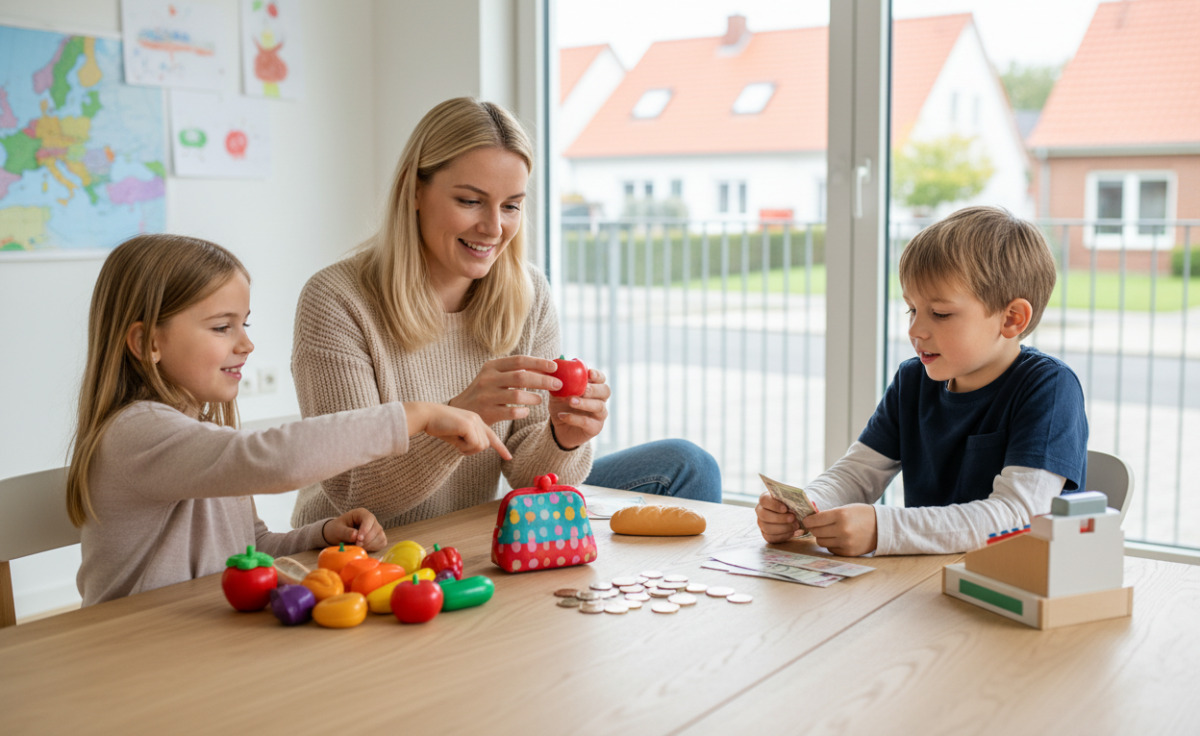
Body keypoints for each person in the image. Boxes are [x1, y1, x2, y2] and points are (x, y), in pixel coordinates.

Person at [290, 97, 720, 531]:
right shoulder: (336, 300)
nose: (494, 228)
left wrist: (562, 438)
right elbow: (355, 491)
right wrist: (458, 416)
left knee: (688, 466)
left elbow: (526, 475)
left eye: (511, 205)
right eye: (470, 201)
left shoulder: (527, 292)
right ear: (415, 190)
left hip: (470, 527)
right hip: (359, 546)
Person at [67, 234, 508, 606]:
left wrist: (320, 534)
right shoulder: (135, 433)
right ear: (147, 342)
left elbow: (252, 549)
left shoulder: (198, 435)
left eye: (245, 324)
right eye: (223, 327)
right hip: (132, 660)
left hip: (202, 646)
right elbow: (275, 461)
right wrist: (417, 415)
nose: (246, 344)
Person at [757, 206, 1088, 556]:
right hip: (928, 580)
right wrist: (806, 507)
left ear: (1012, 318)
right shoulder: (913, 380)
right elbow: (856, 475)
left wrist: (883, 529)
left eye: (940, 314)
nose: (914, 330)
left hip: (1011, 585)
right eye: (911, 310)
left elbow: (1018, 516)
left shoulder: (1049, 388)